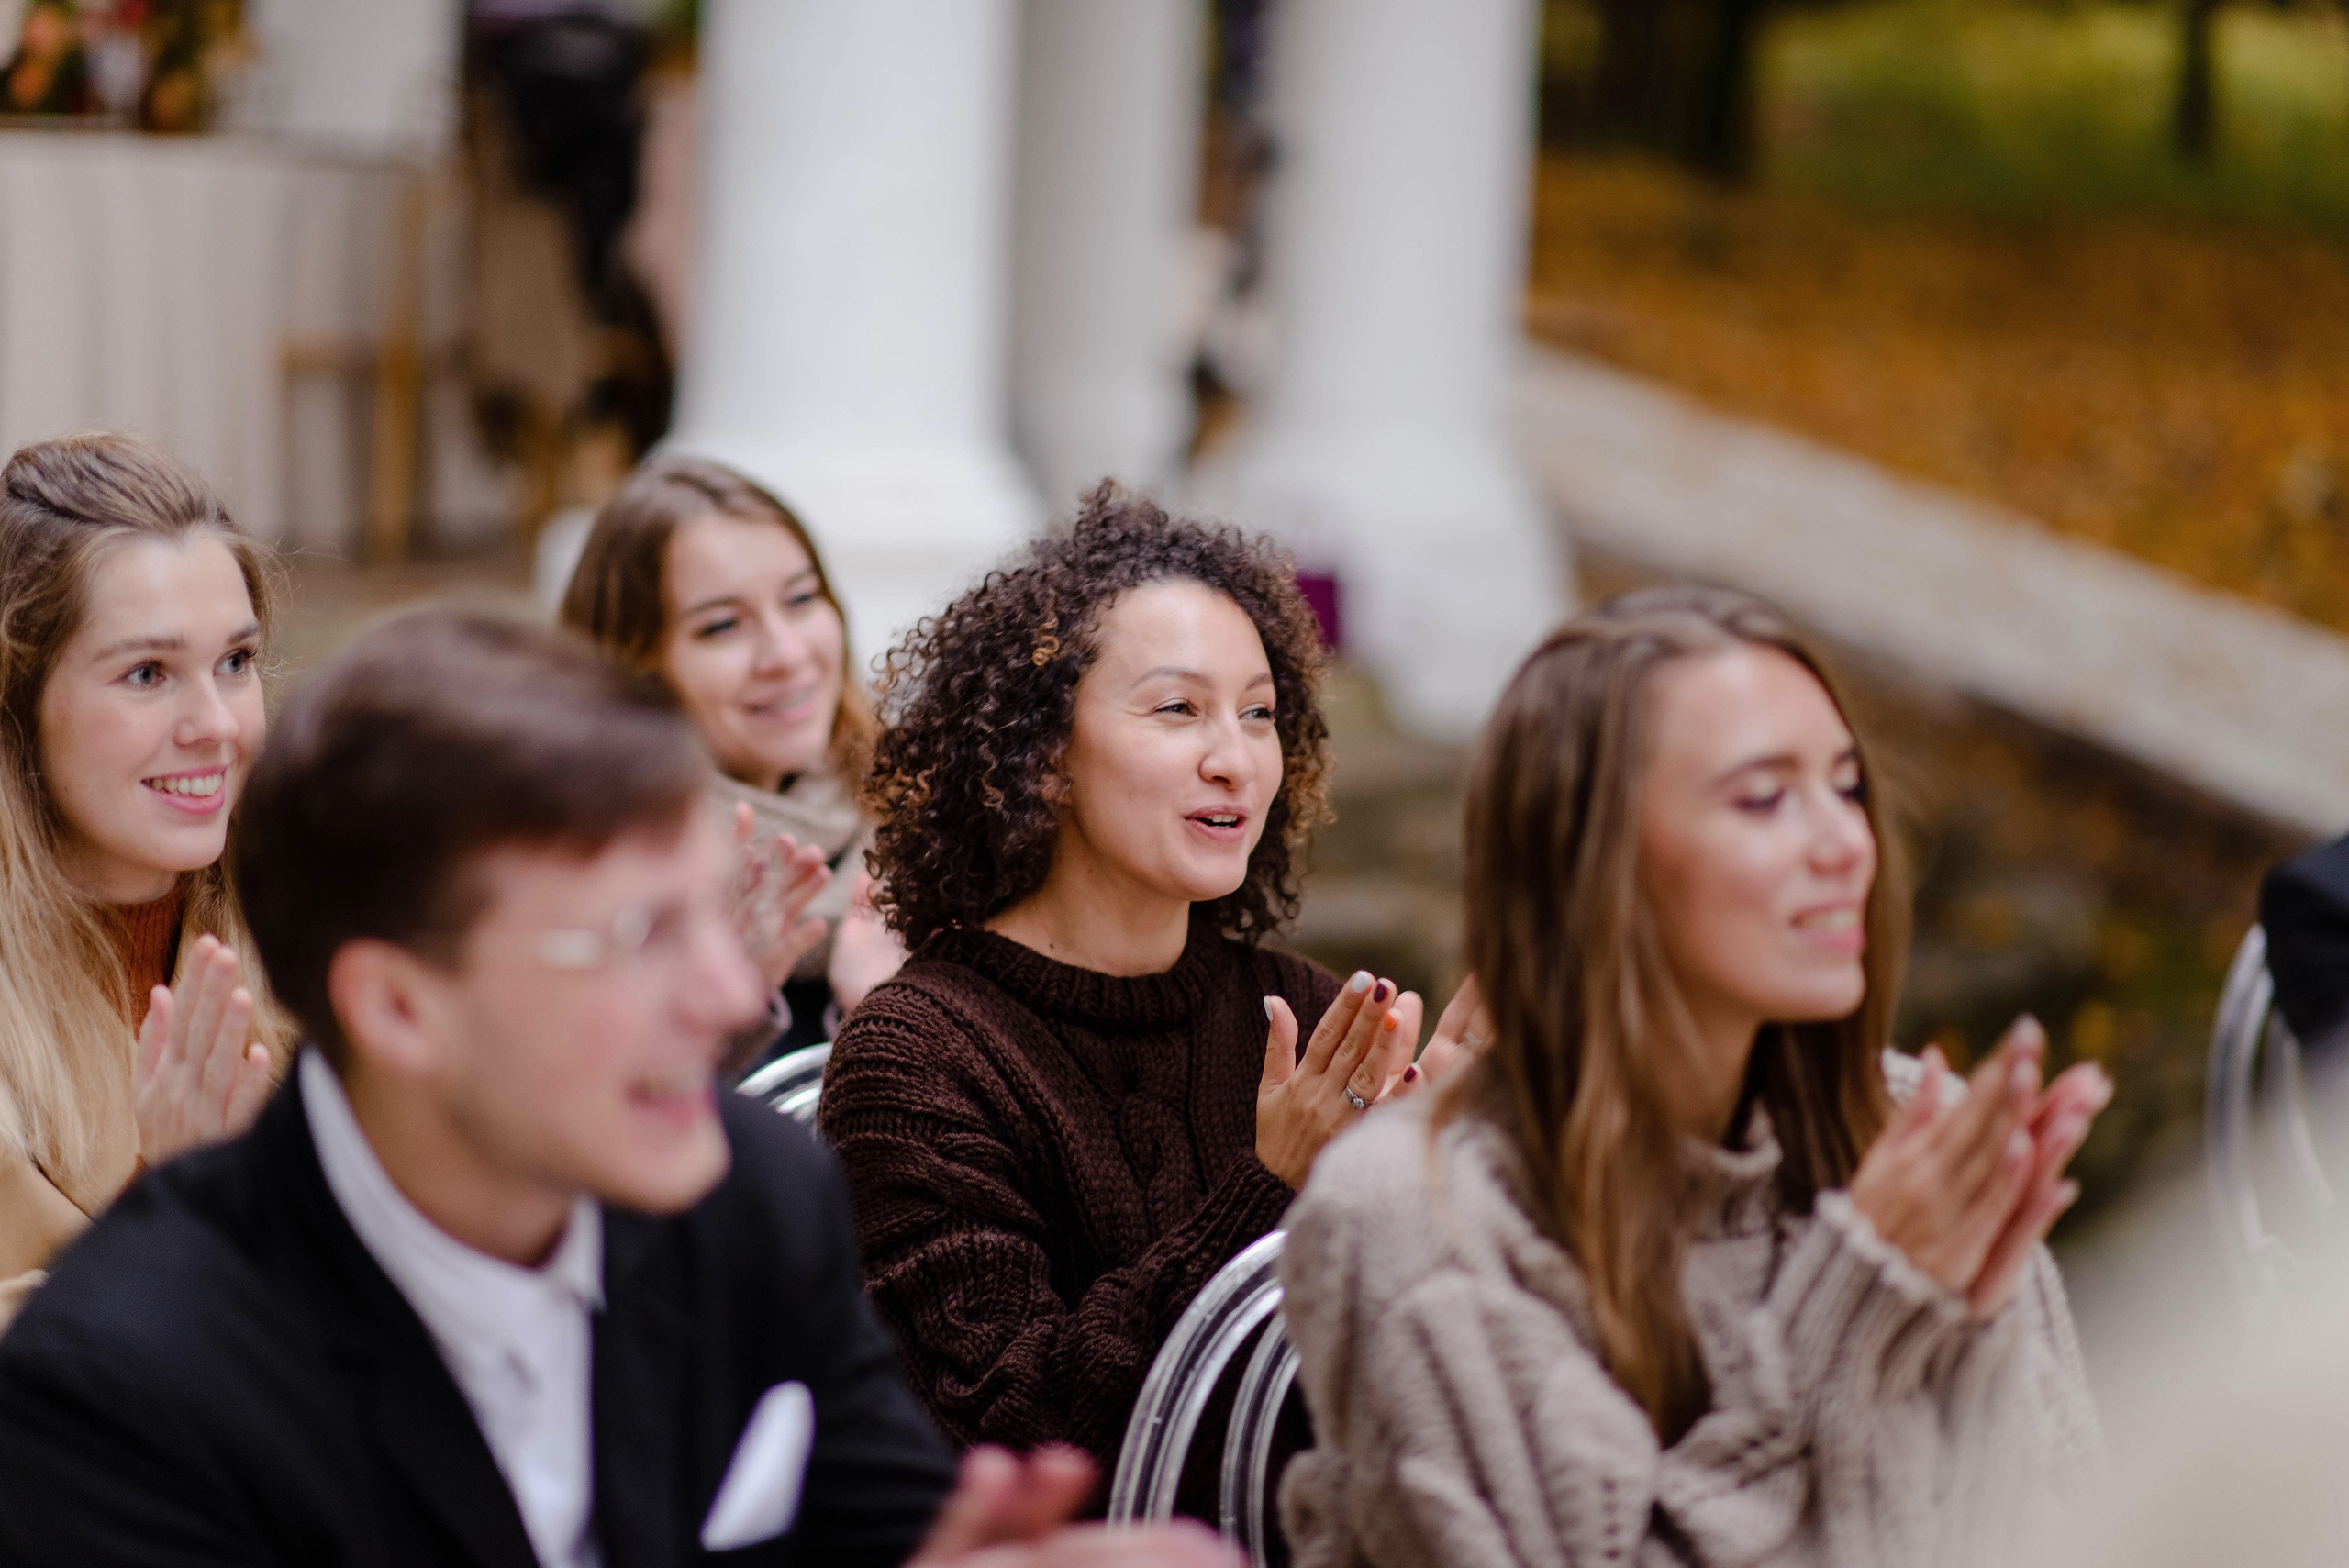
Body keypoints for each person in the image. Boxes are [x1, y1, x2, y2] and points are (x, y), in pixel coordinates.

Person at [0, 607, 1234, 1568]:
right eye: (635, 935)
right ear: (399, 1005)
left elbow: (891, 1530)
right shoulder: (131, 1379)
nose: (720, 1000)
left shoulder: (755, 1203)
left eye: (711, 914)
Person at [1275, 586, 2113, 1568]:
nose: (1845, 842)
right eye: (1762, 797)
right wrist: (1855, 1315)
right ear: (1595, 860)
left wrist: (1964, 1341)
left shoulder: (1913, 1138)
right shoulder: (1421, 1221)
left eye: (1845, 786)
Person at [818, 486, 1483, 1507]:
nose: (1234, 759)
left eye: (1259, 714)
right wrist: (1276, 1190)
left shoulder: (1306, 1017)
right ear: (1040, 758)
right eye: (1178, 708)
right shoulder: (915, 1058)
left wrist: (1442, 1187)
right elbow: (1021, 1432)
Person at [0, 433, 290, 1328]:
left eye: (235, 662)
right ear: (19, 705)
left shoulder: (304, 929)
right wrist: (174, 1213)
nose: (216, 724)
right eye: (148, 673)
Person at [562, 454, 903, 1062]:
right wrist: (721, 1001)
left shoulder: (913, 816)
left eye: (801, 599)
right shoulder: (594, 885)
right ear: (636, 670)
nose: (786, 652)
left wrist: (892, 1003)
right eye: (722, 627)